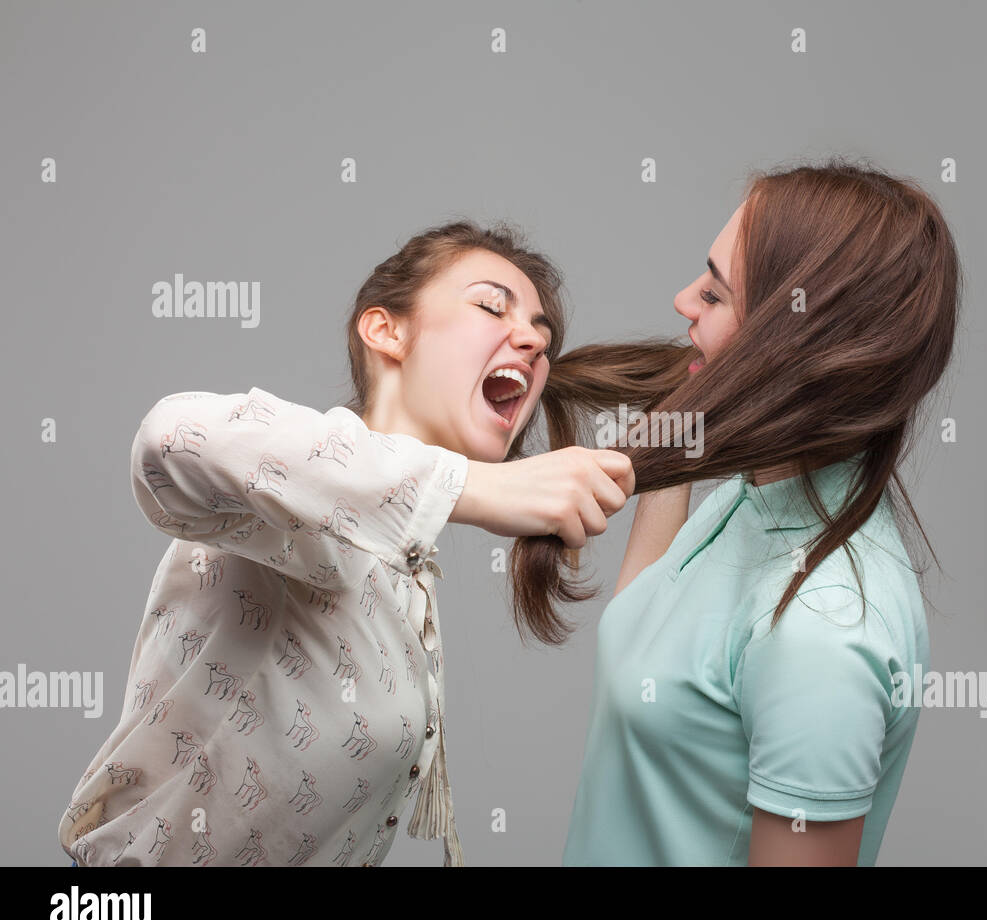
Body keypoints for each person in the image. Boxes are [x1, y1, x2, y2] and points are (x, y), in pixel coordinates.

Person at [59, 221, 633, 867]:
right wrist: (470, 485)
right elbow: (168, 439)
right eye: (491, 305)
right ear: (386, 331)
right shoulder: (293, 495)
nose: (532, 342)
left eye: (543, 336)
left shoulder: (406, 561)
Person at [517, 159, 961, 865]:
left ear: (790, 346)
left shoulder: (823, 635)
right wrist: (681, 431)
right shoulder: (754, 499)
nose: (682, 300)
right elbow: (651, 628)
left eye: (716, 294)